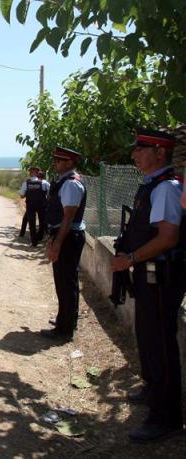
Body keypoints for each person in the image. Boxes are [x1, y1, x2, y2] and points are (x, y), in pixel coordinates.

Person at [111, 128, 185, 443]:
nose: (134, 154)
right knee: (148, 337)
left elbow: (168, 237)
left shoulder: (166, 188)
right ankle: (153, 389)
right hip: (150, 276)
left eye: (141, 149)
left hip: (161, 277)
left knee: (161, 344)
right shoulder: (152, 184)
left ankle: (165, 418)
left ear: (160, 152)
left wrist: (129, 258)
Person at [41, 147, 86, 341]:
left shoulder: (70, 184)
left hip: (68, 237)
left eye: (59, 161)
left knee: (66, 282)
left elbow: (68, 217)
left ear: (69, 163)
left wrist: (58, 242)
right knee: (65, 281)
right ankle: (65, 319)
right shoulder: (65, 182)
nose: (55, 163)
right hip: (65, 235)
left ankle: (65, 329)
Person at [18, 167, 49, 245]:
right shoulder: (44, 182)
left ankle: (34, 241)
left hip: (30, 205)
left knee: (32, 223)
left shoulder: (26, 183)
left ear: (30, 173)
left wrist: (27, 194)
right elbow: (50, 193)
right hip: (42, 205)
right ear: (38, 173)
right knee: (42, 221)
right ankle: (40, 237)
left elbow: (21, 195)